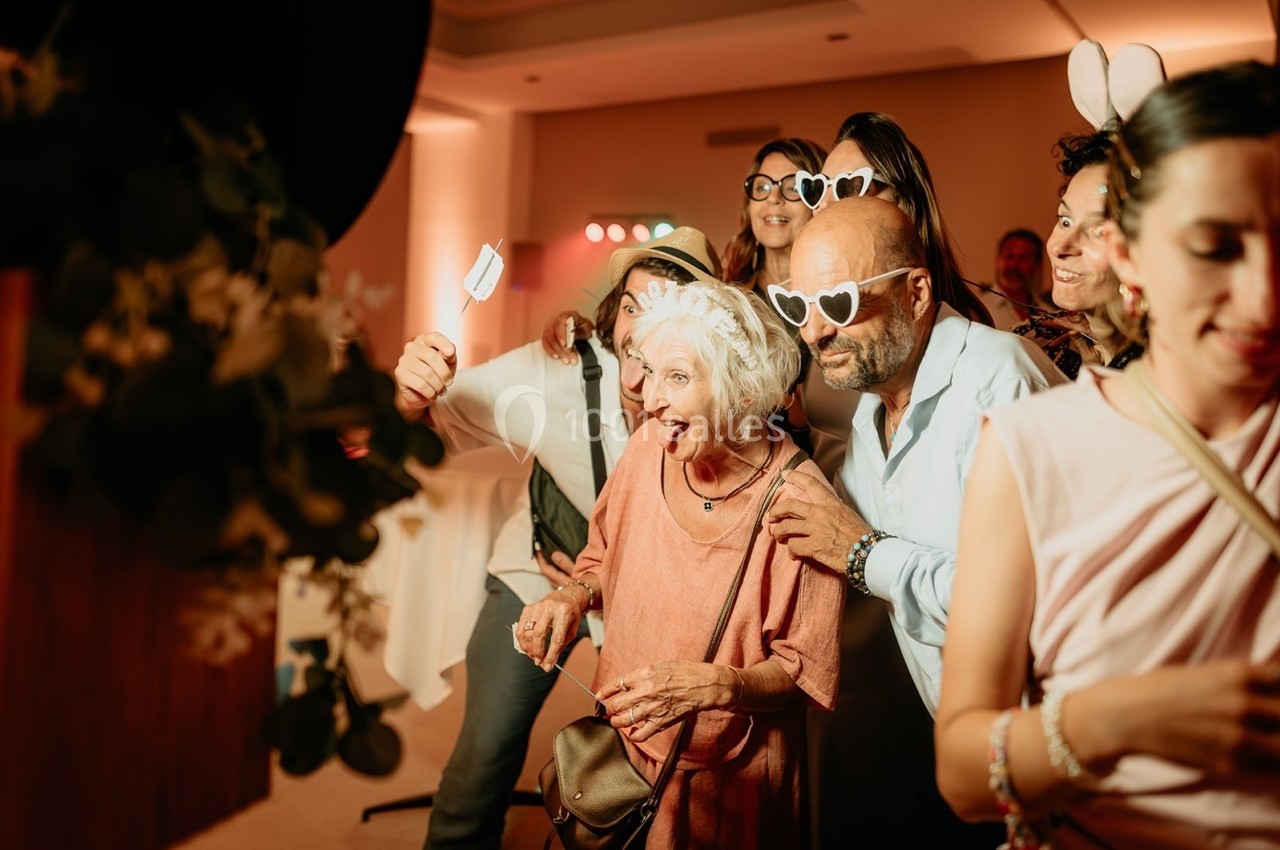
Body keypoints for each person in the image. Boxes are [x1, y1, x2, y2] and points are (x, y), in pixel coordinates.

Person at [934, 61, 1280, 848]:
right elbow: (961, 772)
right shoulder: (1032, 448)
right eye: (1214, 247)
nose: (1264, 295)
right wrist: (1125, 716)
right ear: (1127, 254)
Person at [392, 226, 722, 850]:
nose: (640, 326)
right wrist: (407, 395)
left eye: (665, 307)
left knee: (649, 775)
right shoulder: (557, 371)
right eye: (631, 305)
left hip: (644, 603)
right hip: (532, 576)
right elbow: (424, 430)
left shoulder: (724, 403)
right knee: (484, 751)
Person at [766, 196, 1066, 846]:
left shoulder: (997, 383)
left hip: (1064, 757)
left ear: (918, 291)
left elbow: (1036, 606)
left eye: (840, 304)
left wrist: (864, 554)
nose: (814, 332)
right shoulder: (870, 422)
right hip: (980, 764)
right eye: (800, 307)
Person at [516, 281, 845, 848]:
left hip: (731, 777)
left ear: (741, 389)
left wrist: (719, 686)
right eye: (650, 374)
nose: (651, 400)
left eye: (678, 378)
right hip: (621, 750)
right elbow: (602, 559)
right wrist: (570, 597)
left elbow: (801, 667)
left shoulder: (800, 501)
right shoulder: (649, 449)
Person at [1041, 129, 1145, 370]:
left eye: (1100, 231)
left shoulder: (1161, 372)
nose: (1059, 247)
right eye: (1065, 221)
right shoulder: (1073, 358)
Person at [975, 228, 1050, 330]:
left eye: (1024, 258)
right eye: (1009, 256)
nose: (1014, 264)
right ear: (998, 259)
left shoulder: (1049, 314)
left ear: (1037, 265)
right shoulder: (978, 308)